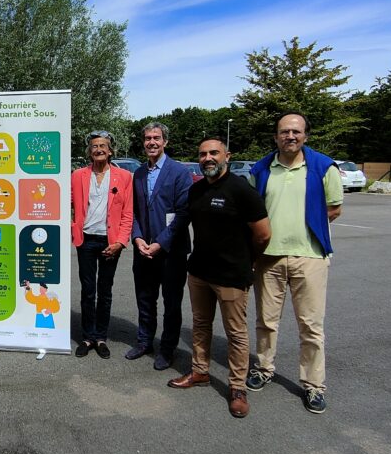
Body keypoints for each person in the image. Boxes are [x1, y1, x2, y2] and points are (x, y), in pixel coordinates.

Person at [246, 112, 343, 414]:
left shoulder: (324, 167)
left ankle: (314, 385)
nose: (290, 136)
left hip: (310, 257)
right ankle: (264, 368)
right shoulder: (261, 169)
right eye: (284, 131)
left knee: (311, 326)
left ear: (305, 136)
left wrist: (305, 228)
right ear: (276, 136)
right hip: (268, 257)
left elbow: (334, 209)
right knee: (266, 321)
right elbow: (251, 211)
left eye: (296, 132)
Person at [168, 137, 271, 419]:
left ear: (227, 156)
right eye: (203, 154)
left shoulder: (241, 190)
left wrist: (247, 261)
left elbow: (263, 234)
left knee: (235, 333)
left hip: (231, 275)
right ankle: (200, 371)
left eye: (214, 153)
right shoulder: (196, 189)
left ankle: (237, 388)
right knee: (201, 325)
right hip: (200, 271)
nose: (208, 158)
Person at [128, 122, 194, 370]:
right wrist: (137, 238)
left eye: (156, 138)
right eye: (147, 138)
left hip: (171, 251)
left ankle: (167, 349)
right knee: (145, 299)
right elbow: (133, 211)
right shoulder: (138, 173)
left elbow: (183, 213)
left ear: (165, 141)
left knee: (171, 304)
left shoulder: (179, 172)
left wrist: (160, 243)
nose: (151, 142)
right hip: (143, 249)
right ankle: (145, 341)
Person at [70, 130, 133, 359]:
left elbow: (128, 213)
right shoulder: (78, 175)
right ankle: (87, 337)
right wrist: (71, 224)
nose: (98, 149)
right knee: (88, 291)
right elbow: (65, 202)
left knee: (105, 291)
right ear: (90, 151)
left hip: (110, 242)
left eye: (103, 146)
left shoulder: (124, 176)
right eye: (95, 146)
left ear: (110, 151)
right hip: (86, 240)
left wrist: (120, 242)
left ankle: (101, 337)